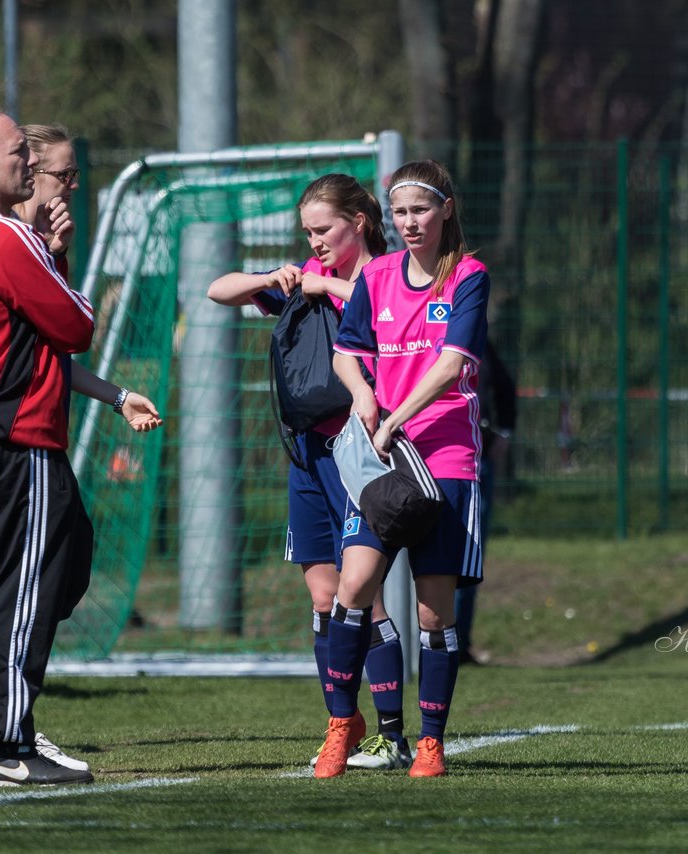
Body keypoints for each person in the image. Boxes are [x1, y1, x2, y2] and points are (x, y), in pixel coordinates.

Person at [0, 109, 161, 790]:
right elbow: (77, 324)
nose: (29, 162)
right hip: (17, 439)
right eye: (18, 152)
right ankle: (8, 742)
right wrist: (53, 252)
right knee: (20, 592)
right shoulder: (5, 237)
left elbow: (28, 333)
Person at [207, 173, 412, 771]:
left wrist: (323, 283)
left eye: (324, 229)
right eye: (308, 233)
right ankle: (341, 723)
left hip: (360, 455)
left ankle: (393, 733)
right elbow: (219, 291)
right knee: (322, 597)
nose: (315, 241)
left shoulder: (387, 275)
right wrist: (274, 279)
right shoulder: (306, 274)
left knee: (361, 597)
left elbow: (386, 313)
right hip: (306, 456)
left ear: (361, 222)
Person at [320, 160, 489, 779]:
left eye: (421, 210)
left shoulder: (469, 276)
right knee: (353, 587)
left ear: (445, 210)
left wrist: (395, 419)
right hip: (385, 462)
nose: (410, 222)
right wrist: (365, 397)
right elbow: (347, 354)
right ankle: (342, 727)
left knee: (432, 612)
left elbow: (450, 366)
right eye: (400, 212)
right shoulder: (378, 274)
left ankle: (431, 743)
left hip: (445, 459)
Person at [454, 338, 516, 665]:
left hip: (475, 462)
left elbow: (505, 388)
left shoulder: (479, 342)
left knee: (468, 552)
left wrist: (504, 432)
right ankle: (412, 642)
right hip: (425, 458)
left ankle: (457, 644)